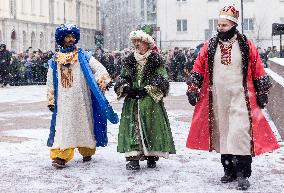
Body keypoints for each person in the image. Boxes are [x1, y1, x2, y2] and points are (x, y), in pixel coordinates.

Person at [185, 5, 279, 190]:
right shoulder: (210, 45)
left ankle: (243, 173)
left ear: (234, 25)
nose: (220, 28)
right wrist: (193, 88)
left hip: (241, 98)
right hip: (218, 99)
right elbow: (199, 66)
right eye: (219, 25)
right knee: (223, 133)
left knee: (240, 134)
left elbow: (258, 68)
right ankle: (228, 171)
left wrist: (262, 93)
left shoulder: (245, 44)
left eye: (224, 25)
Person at [46, 24, 118, 169]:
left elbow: (99, 68)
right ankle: (61, 155)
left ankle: (86, 150)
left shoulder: (83, 55)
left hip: (81, 98)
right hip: (63, 100)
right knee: (63, 127)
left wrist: (103, 81)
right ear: (61, 39)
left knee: (83, 124)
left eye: (73, 37)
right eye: (67, 37)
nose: (71, 40)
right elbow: (50, 81)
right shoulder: (55, 60)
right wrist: (51, 99)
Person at [114, 29, 176, 170]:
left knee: (151, 127)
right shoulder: (129, 60)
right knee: (132, 128)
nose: (136, 44)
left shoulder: (155, 60)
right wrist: (127, 88)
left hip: (149, 101)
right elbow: (122, 77)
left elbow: (162, 79)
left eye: (139, 41)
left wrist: (146, 89)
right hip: (132, 101)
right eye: (134, 41)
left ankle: (151, 155)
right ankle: (133, 158)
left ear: (147, 43)